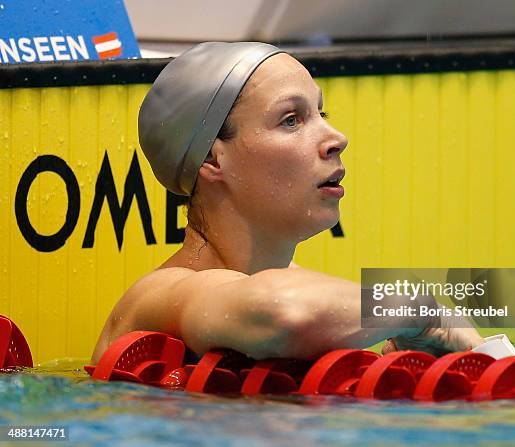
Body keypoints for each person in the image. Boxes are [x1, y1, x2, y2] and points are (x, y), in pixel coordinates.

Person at [91, 42, 484, 364]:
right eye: (291, 119)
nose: (337, 137)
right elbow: (283, 311)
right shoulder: (160, 298)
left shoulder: (310, 299)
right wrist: (419, 311)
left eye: (321, 112)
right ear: (212, 160)